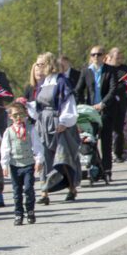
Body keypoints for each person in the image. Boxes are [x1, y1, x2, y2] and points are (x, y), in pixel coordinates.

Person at [29, 53, 80, 204]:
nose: (38, 67)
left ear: (49, 64)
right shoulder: (43, 83)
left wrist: (64, 122)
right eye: (37, 65)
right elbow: (40, 106)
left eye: (40, 64)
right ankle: (44, 192)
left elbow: (68, 103)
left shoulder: (61, 81)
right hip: (44, 124)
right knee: (45, 157)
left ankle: (71, 188)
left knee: (63, 157)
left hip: (58, 124)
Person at [74, 46, 121, 181]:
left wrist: (103, 104)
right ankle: (96, 170)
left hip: (106, 111)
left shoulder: (110, 71)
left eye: (98, 54)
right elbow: (78, 90)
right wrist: (82, 106)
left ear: (104, 56)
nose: (95, 57)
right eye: (93, 54)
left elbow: (113, 89)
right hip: (90, 113)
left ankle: (107, 171)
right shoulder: (86, 71)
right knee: (90, 140)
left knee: (106, 142)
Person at [1, 102, 44, 226]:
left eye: (21, 114)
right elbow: (5, 149)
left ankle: (30, 210)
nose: (18, 118)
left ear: (25, 114)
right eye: (15, 115)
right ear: (10, 117)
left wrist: (39, 160)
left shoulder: (31, 129)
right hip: (15, 165)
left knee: (29, 188)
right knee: (16, 191)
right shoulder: (8, 132)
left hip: (28, 163)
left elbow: (37, 146)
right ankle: (18, 213)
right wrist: (4, 165)